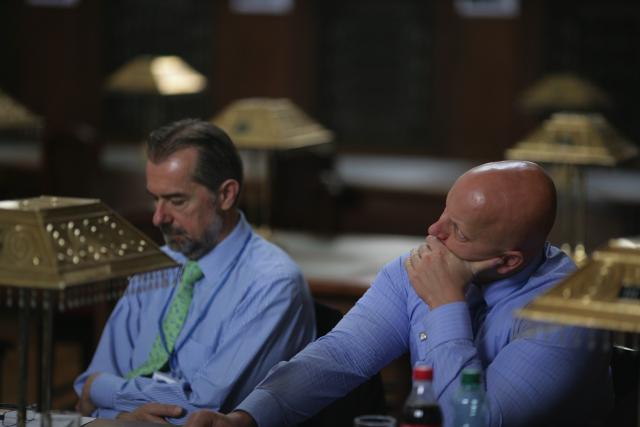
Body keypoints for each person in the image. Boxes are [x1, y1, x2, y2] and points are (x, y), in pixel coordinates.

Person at [183, 160, 613, 427]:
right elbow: (343, 355)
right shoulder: (429, 260)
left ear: (508, 261)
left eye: (456, 230)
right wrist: (247, 418)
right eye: (444, 212)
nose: (433, 232)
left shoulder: (570, 314)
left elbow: (471, 423)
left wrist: (446, 305)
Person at [74, 119, 316, 423]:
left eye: (177, 201)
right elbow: (90, 381)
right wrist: (117, 411)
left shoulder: (273, 283)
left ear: (226, 195)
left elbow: (204, 411)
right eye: (155, 199)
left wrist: (105, 393)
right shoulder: (155, 266)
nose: (158, 218)